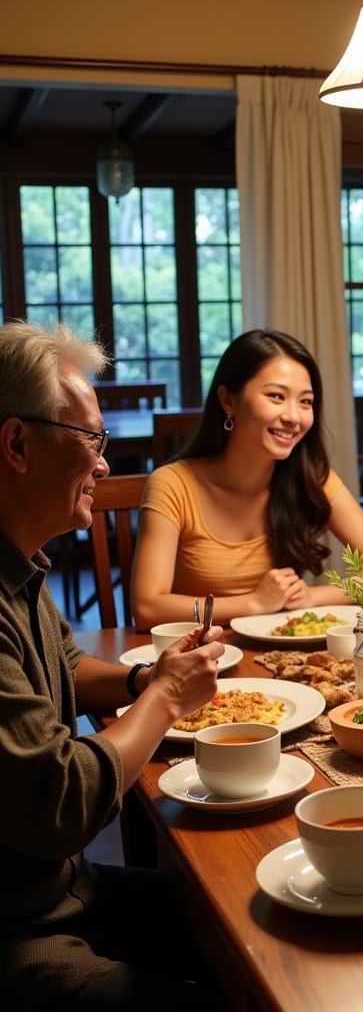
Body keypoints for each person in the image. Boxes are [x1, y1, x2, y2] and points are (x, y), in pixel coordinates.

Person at [0, 322, 225, 1008]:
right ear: (16, 443)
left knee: (246, 913)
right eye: (90, 440)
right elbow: (63, 805)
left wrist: (144, 678)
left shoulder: (21, 568)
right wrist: (166, 702)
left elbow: (66, 665)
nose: (104, 463)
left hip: (69, 889)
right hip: (21, 933)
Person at [132, 329, 363, 629]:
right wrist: (254, 603)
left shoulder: (310, 478)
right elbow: (147, 606)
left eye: (305, 402)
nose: (294, 416)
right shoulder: (173, 484)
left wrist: (311, 597)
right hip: (202, 657)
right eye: (276, 396)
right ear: (228, 400)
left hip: (280, 653)